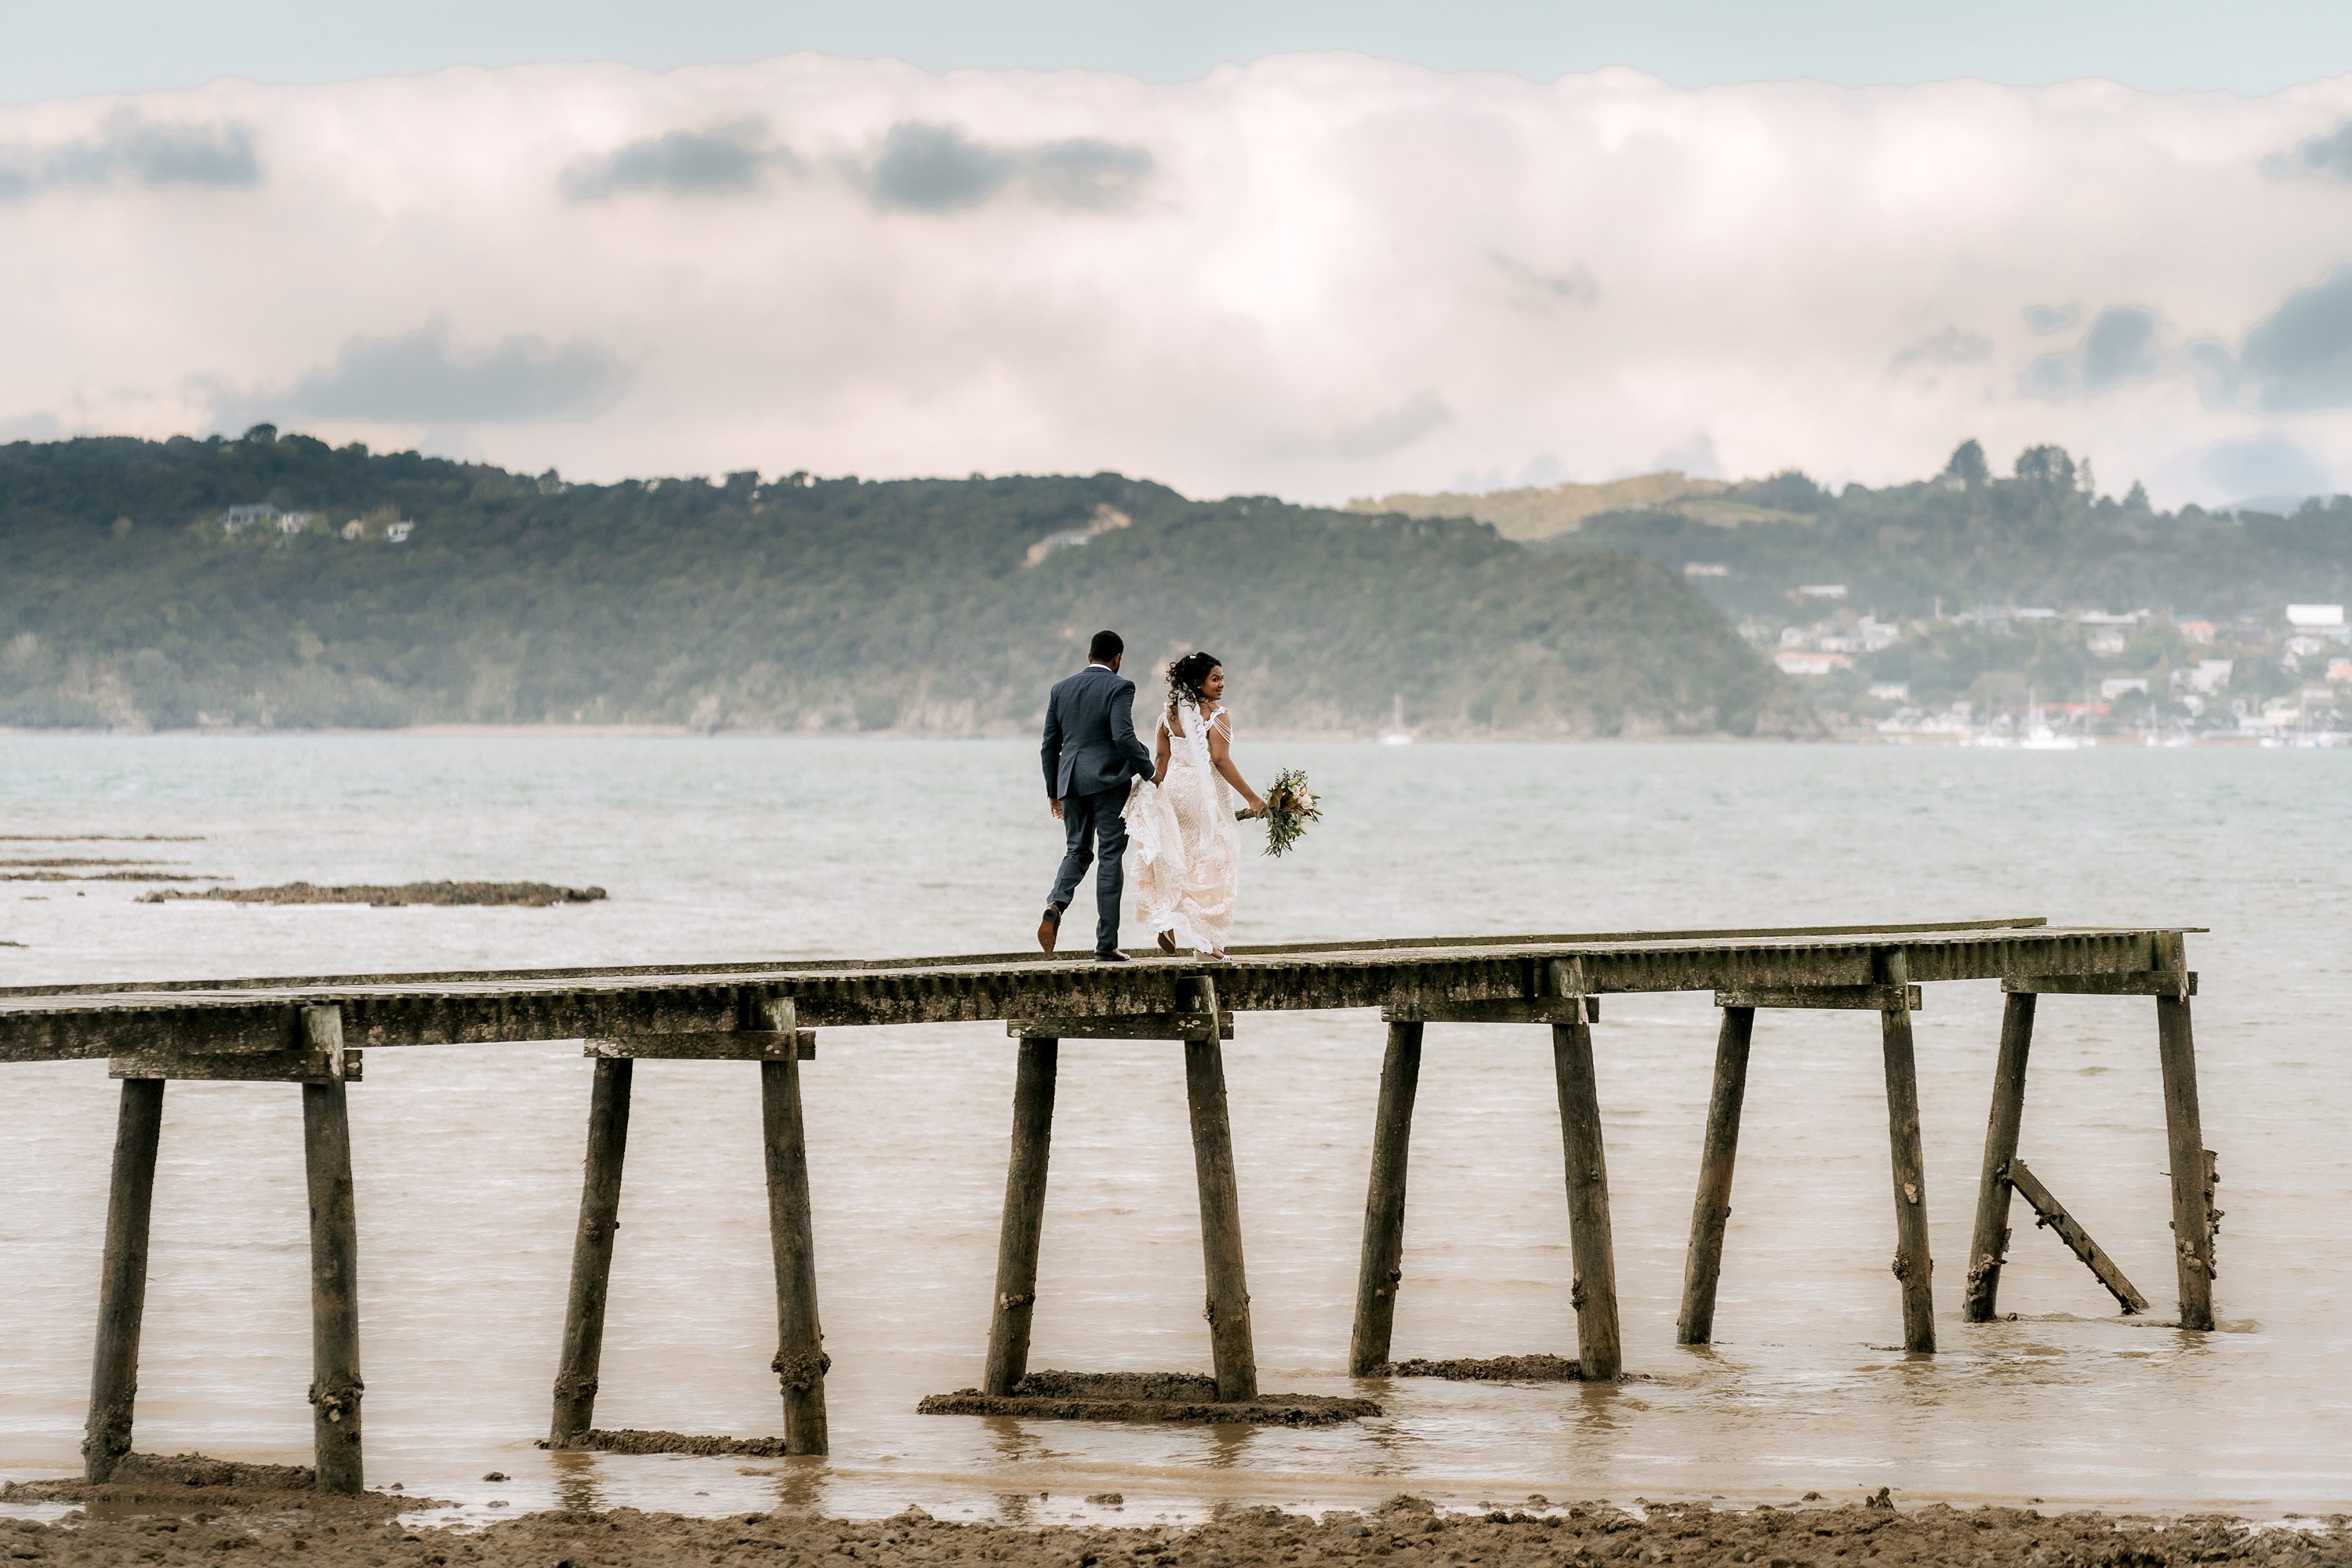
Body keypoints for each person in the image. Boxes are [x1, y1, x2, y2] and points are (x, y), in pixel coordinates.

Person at [1126, 652, 1268, 960]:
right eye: (1215, 679)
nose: (1221, 685)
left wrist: (1153, 792)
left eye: (1222, 679)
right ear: (1199, 683)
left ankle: (1168, 920)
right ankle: (1208, 945)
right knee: (1213, 864)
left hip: (1174, 793)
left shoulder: (1169, 714)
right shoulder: (1218, 715)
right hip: (1204, 799)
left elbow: (1161, 761)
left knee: (1178, 858)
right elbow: (1219, 760)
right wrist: (1253, 798)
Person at [1038, 630, 1158, 960]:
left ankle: (1056, 903)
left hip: (1070, 782)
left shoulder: (1060, 688)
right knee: (1109, 857)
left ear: (1089, 655)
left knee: (1076, 851)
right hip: (1107, 783)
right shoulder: (1120, 686)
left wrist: (1054, 791)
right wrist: (1150, 772)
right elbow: (1123, 735)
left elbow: (1050, 744)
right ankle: (1106, 945)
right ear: (1117, 658)